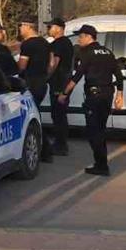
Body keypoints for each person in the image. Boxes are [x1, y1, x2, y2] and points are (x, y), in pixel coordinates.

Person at [58, 24, 124, 176]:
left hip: (94, 96)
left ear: (89, 37)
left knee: (94, 132)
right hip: (107, 95)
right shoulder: (107, 52)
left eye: (81, 36)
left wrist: (64, 93)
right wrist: (120, 95)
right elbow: (119, 75)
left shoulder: (86, 53)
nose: (79, 40)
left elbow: (77, 76)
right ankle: (101, 163)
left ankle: (101, 166)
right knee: (100, 129)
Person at [17, 19, 54, 162]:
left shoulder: (27, 44)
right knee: (36, 113)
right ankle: (45, 150)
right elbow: (51, 63)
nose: (20, 29)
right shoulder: (45, 43)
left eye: (21, 26)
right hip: (42, 84)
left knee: (31, 117)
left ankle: (43, 150)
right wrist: (45, 76)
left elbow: (21, 66)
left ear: (28, 26)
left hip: (30, 83)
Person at [45, 17, 75, 156]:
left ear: (58, 28)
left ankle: (60, 145)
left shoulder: (58, 44)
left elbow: (54, 63)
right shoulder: (67, 42)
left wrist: (46, 76)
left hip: (59, 82)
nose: (48, 30)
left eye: (50, 27)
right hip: (64, 81)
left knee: (58, 114)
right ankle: (61, 143)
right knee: (60, 114)